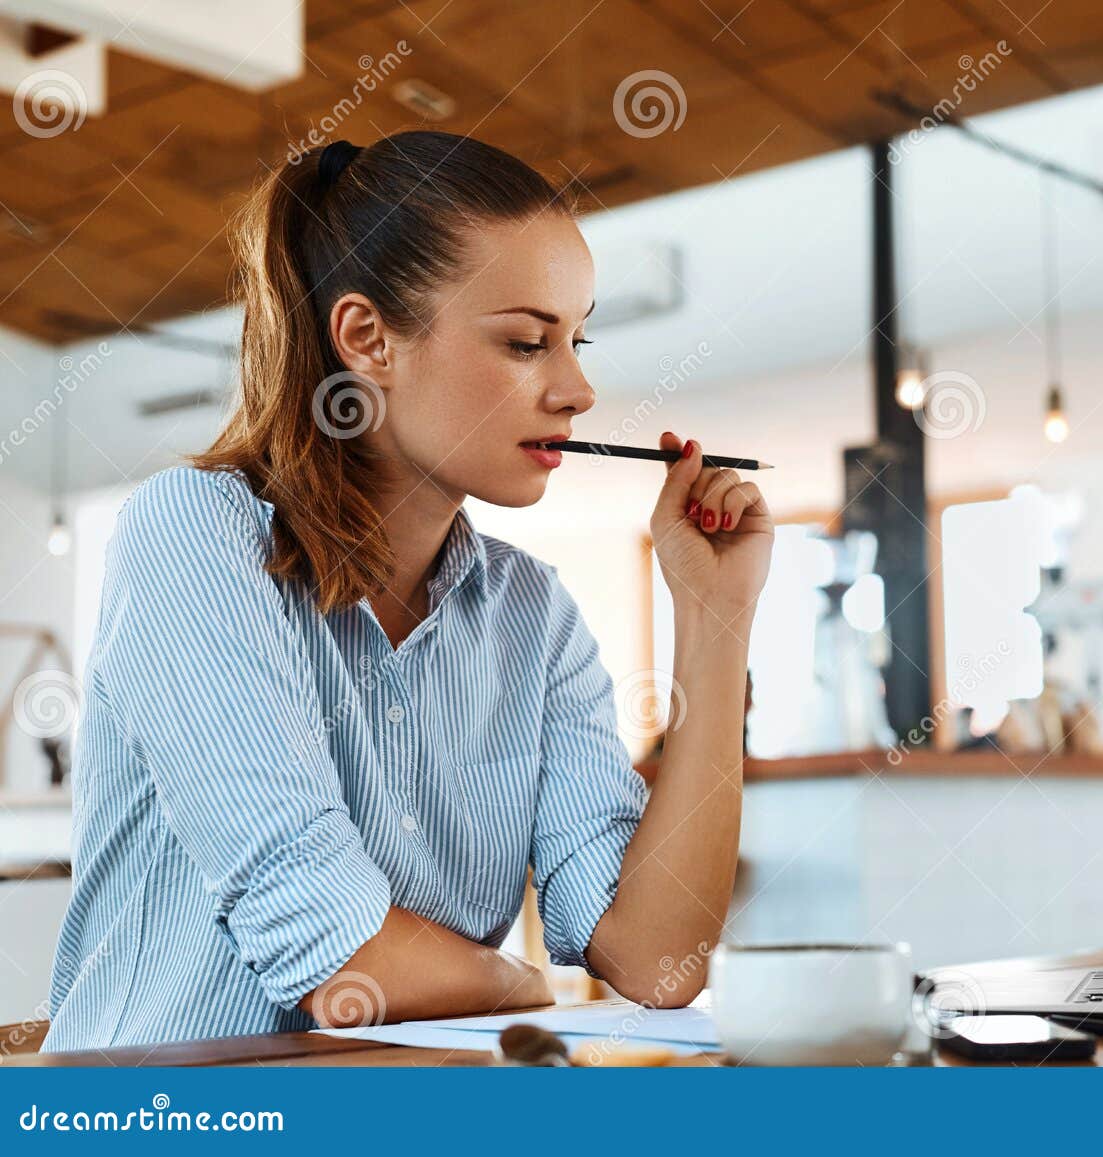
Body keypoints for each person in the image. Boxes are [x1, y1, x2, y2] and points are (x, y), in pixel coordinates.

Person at [43, 132, 773, 1050]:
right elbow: (338, 955)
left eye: (576, 340)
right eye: (524, 342)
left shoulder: (534, 619)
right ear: (368, 339)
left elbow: (656, 961)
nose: (578, 388)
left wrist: (715, 620)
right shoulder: (193, 532)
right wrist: (520, 980)